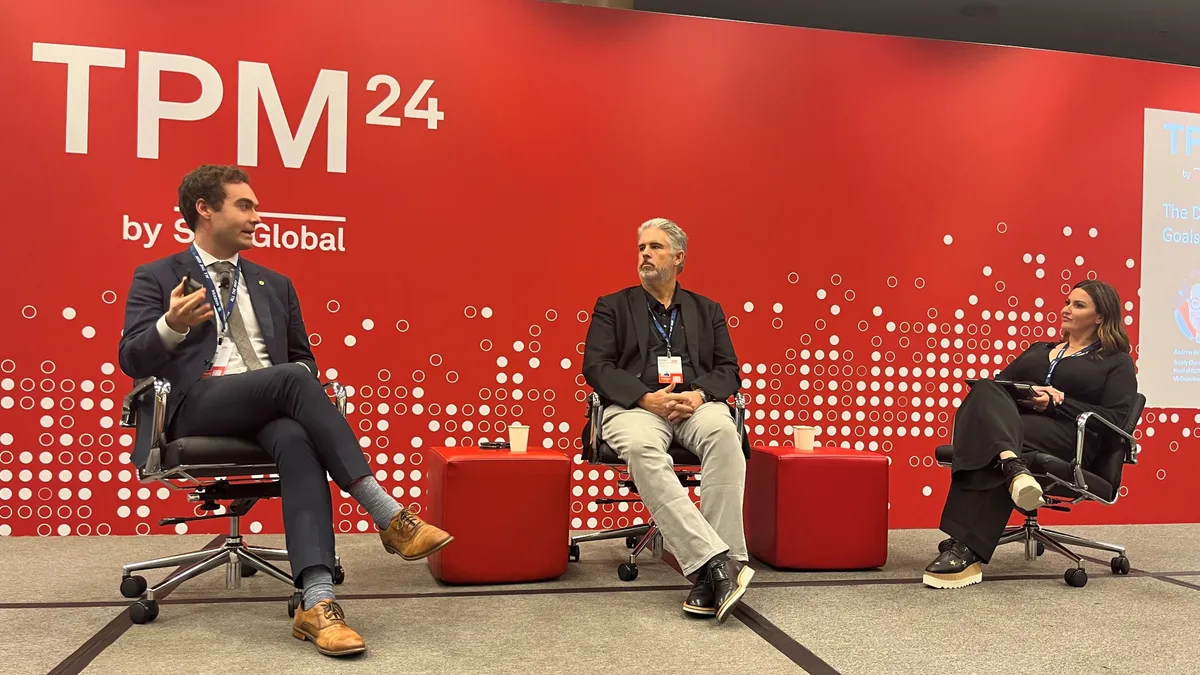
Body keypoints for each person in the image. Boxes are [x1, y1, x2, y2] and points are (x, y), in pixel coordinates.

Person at [118, 165, 453, 656]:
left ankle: (317, 601)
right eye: (245, 205)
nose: (258, 215)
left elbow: (303, 358)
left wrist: (295, 379)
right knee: (294, 380)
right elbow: (132, 358)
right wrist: (170, 325)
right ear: (204, 210)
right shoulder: (158, 276)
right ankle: (387, 513)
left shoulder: (275, 284)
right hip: (196, 405)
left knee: (297, 437)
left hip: (270, 404)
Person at [581, 218, 752, 623]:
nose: (644, 254)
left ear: (679, 259)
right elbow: (596, 367)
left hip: (694, 404)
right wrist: (644, 397)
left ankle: (721, 568)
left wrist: (697, 395)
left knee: (725, 434)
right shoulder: (613, 306)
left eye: (655, 248)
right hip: (635, 406)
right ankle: (716, 564)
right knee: (640, 447)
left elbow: (729, 369)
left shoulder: (707, 309)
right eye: (641, 247)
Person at [923, 279, 1138, 589]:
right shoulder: (1040, 350)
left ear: (1101, 316)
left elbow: (1116, 419)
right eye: (1067, 301)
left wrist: (1059, 401)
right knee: (986, 390)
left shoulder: (1115, 362)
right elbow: (998, 389)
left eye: (1078, 305)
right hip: (1019, 429)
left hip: (1069, 437)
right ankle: (1013, 465)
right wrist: (1022, 396)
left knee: (994, 440)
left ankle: (966, 544)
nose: (1066, 309)